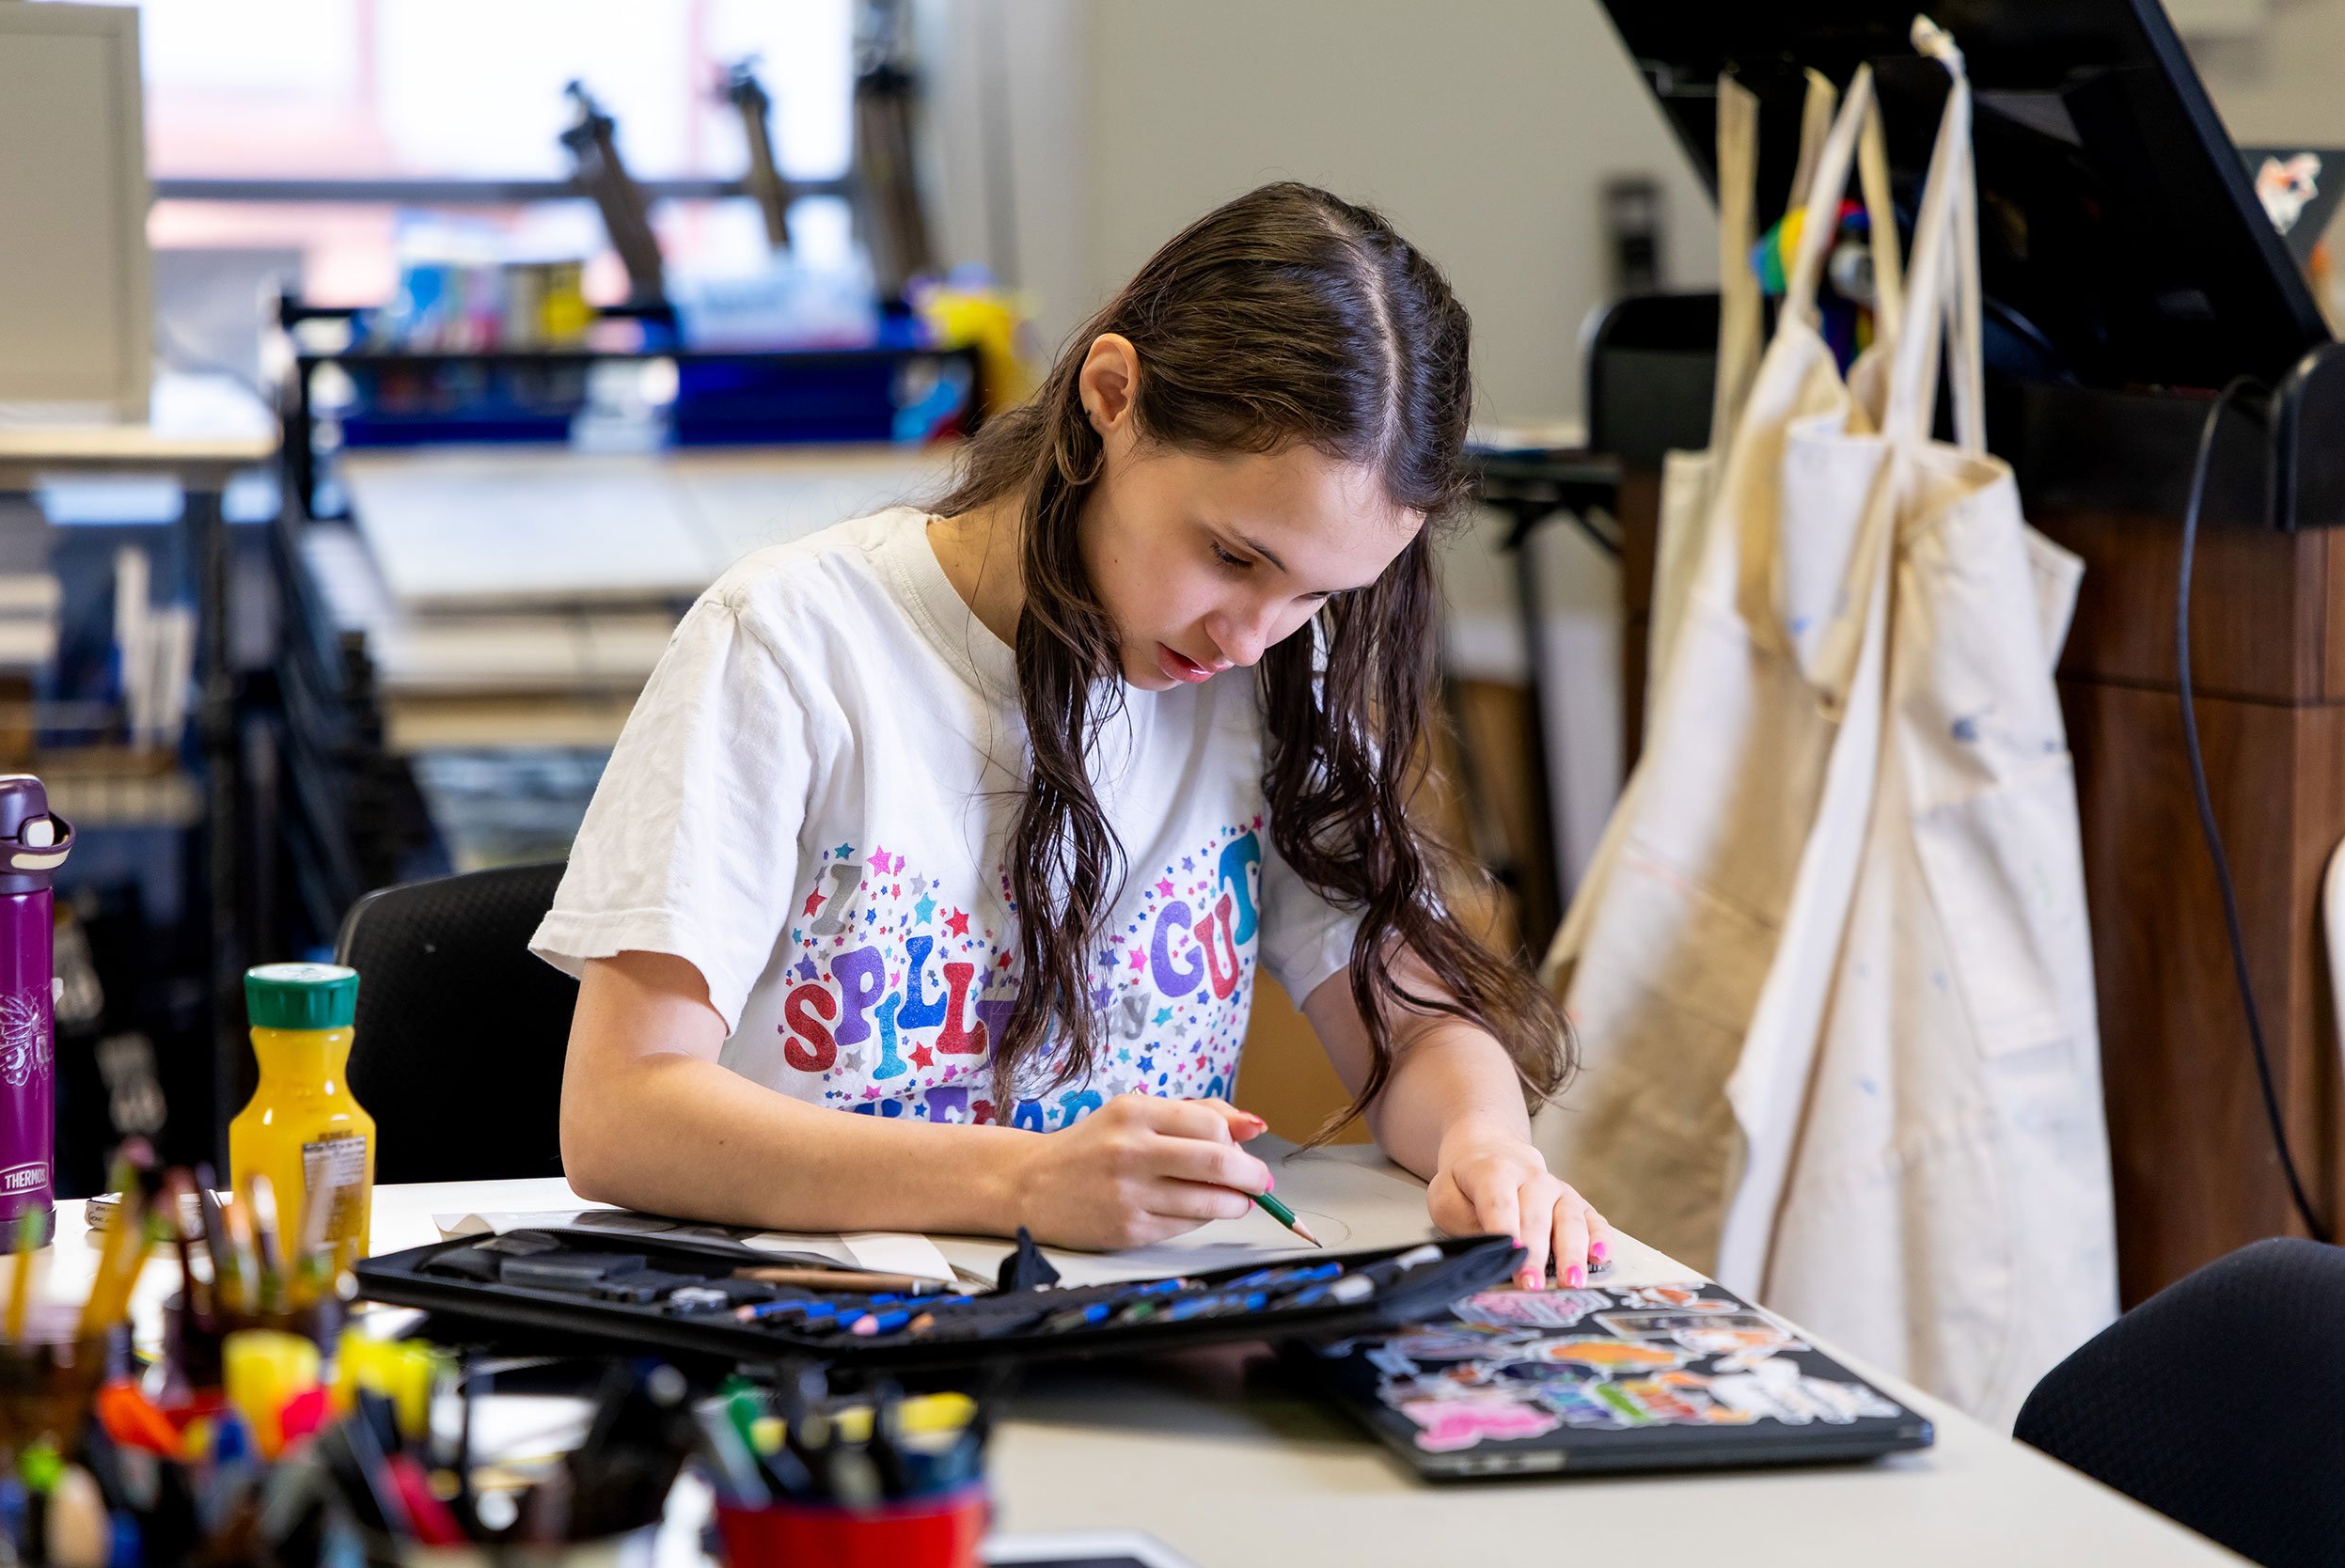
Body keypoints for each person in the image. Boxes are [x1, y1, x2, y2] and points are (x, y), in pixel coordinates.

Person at [537, 181, 1612, 1291]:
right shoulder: (794, 643)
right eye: (1234, 557)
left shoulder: (1279, 674)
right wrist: (1019, 1184)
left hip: (1133, 1346)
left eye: (1315, 595)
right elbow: (621, 1115)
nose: (1251, 635)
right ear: (1112, 396)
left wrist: (1490, 1146)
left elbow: (1413, 1022)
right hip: (826, 1354)